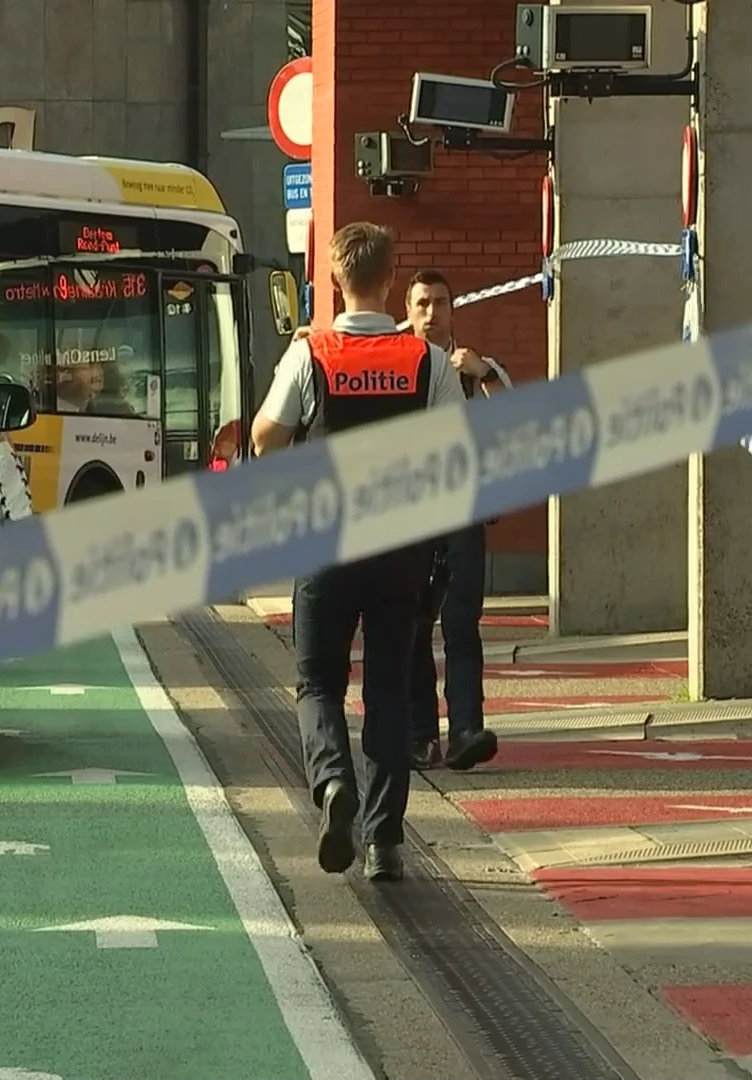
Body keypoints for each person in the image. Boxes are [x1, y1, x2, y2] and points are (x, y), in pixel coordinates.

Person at [250, 223, 468, 883]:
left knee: (318, 681)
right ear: (392, 280)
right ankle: (385, 843)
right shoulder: (425, 361)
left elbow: (264, 438)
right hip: (401, 548)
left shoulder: (309, 354)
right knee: (389, 692)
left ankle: (332, 782)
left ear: (337, 281)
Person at [401, 269, 508, 771]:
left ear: (452, 309)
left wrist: (485, 374)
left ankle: (466, 728)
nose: (431, 313)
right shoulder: (396, 361)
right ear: (408, 310)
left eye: (440, 302)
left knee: (461, 622)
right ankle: (422, 734)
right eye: (422, 303)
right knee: (415, 624)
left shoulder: (473, 369)